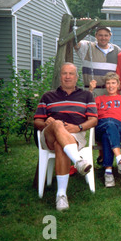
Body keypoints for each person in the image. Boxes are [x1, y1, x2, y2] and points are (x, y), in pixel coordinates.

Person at [34, 63, 98, 211]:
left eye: (71, 74)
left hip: (75, 134)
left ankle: (61, 195)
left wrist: (78, 127)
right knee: (57, 124)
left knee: (60, 146)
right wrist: (46, 123)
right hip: (49, 134)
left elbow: (94, 119)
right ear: (60, 76)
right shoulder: (48, 96)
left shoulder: (86, 95)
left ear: (76, 77)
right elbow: (37, 120)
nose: (68, 77)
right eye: (64, 73)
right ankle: (78, 161)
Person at [94, 72, 121, 188]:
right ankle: (120, 160)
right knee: (108, 125)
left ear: (118, 85)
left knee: (108, 135)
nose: (111, 86)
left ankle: (108, 173)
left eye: (113, 83)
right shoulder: (99, 99)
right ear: (105, 85)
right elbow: (92, 115)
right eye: (108, 83)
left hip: (118, 128)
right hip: (101, 125)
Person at [74, 25, 121, 96]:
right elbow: (75, 41)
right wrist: (85, 25)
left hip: (110, 91)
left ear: (110, 36)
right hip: (92, 91)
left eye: (106, 35)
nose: (103, 38)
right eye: (100, 35)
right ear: (96, 35)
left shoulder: (117, 50)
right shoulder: (87, 47)